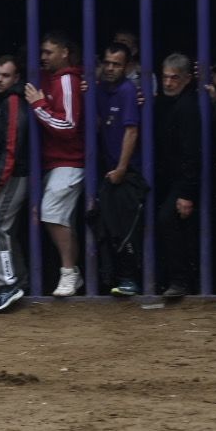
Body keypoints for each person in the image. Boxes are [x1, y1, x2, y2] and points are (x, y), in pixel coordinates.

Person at [25, 32, 85, 297]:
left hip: (70, 161)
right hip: (54, 162)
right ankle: (74, 273)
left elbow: (69, 125)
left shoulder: (67, 81)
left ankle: (69, 273)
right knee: (60, 218)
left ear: (65, 52)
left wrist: (38, 107)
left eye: (49, 52)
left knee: (51, 212)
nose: (43, 57)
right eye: (42, 52)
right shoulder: (48, 78)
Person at [92, 42, 146, 296]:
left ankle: (130, 280)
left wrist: (122, 168)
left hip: (126, 171)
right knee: (107, 224)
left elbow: (131, 130)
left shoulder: (126, 90)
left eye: (117, 64)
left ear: (127, 67)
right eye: (108, 63)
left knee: (125, 226)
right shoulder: (100, 89)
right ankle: (111, 278)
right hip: (107, 169)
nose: (111, 68)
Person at [148, 52, 200, 300]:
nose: (169, 83)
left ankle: (180, 282)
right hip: (165, 178)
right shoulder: (161, 102)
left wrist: (186, 192)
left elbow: (192, 152)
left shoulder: (188, 106)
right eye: (165, 77)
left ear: (187, 79)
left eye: (174, 78)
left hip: (181, 181)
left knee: (167, 220)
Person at [0, 55, 30, 312]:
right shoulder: (0, 101)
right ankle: (16, 281)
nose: (0, 79)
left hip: (13, 176)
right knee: (3, 228)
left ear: (16, 78)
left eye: (6, 75)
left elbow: (12, 144)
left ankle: (7, 284)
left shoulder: (12, 101)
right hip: (10, 174)